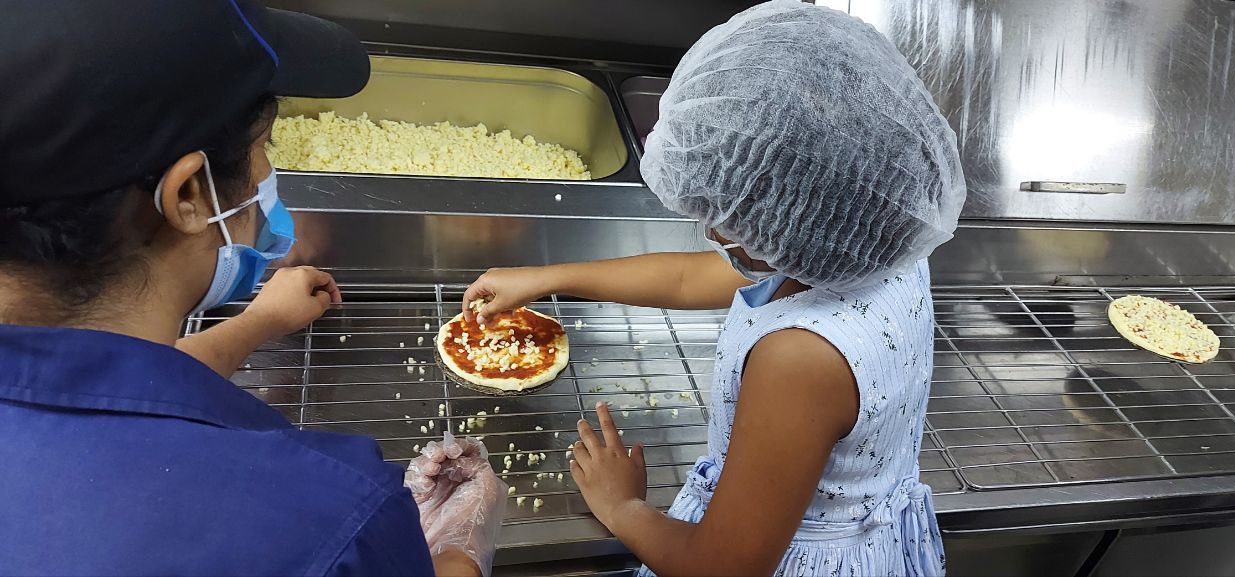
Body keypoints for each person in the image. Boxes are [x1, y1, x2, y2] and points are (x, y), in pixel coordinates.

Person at [462, 1, 965, 575]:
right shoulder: (866, 239)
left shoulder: (799, 358)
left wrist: (621, 506)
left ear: (788, 214)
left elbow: (724, 565)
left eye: (723, 210)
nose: (710, 224)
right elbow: (688, 276)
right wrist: (551, 278)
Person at [0, 1, 502, 575]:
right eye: (263, 147)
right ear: (188, 194)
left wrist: (254, 324)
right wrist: (463, 544)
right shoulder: (332, 513)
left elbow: (100, 382)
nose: (266, 174)